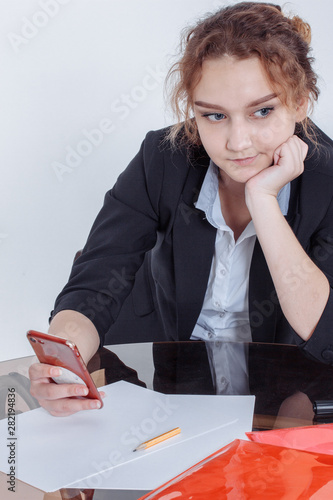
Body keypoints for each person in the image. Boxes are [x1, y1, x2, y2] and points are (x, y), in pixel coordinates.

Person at [29, 1, 333, 416]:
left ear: (299, 103)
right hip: (172, 392)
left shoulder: (327, 180)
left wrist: (263, 201)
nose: (238, 141)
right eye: (214, 116)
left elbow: (324, 329)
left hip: (289, 402)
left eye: (263, 111)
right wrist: (62, 364)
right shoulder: (163, 159)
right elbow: (96, 281)